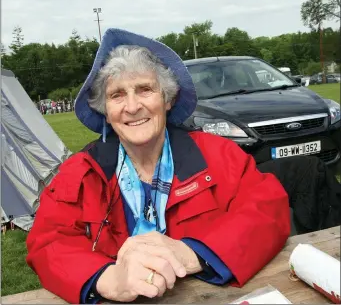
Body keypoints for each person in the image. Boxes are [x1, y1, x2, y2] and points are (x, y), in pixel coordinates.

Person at [26, 28, 292, 304]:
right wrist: (108, 278)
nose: (132, 106)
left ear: (167, 99)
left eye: (145, 89)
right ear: (105, 109)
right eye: (117, 95)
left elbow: (267, 208)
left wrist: (192, 254)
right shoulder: (81, 172)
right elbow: (47, 241)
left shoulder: (219, 154)